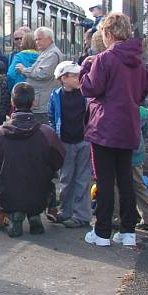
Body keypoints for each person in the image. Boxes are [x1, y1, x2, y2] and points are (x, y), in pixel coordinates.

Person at [80, 13, 148, 247]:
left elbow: (90, 88)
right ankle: (128, 230)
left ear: (108, 34)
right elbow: (143, 91)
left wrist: (84, 70)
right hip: (128, 126)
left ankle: (101, 232)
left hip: (104, 127)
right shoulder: (139, 61)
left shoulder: (104, 59)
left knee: (104, 180)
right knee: (125, 178)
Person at [0, 83, 65, 237]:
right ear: (34, 102)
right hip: (39, 193)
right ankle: (34, 215)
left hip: (7, 194)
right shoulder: (46, 132)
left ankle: (16, 215)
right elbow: (58, 161)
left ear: (12, 102)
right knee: (45, 180)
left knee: (3, 179)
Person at [48, 61, 90, 228]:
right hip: (65, 141)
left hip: (84, 140)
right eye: (75, 76)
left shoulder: (86, 94)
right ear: (63, 78)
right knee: (66, 178)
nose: (79, 78)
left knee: (83, 179)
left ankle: (81, 216)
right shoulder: (55, 96)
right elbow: (52, 116)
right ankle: (65, 212)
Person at [14, 27, 63, 125]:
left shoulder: (52, 54)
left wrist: (24, 70)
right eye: (35, 39)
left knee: (42, 129)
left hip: (43, 101)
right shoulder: (46, 52)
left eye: (39, 39)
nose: (36, 42)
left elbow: (43, 73)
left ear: (49, 39)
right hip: (40, 99)